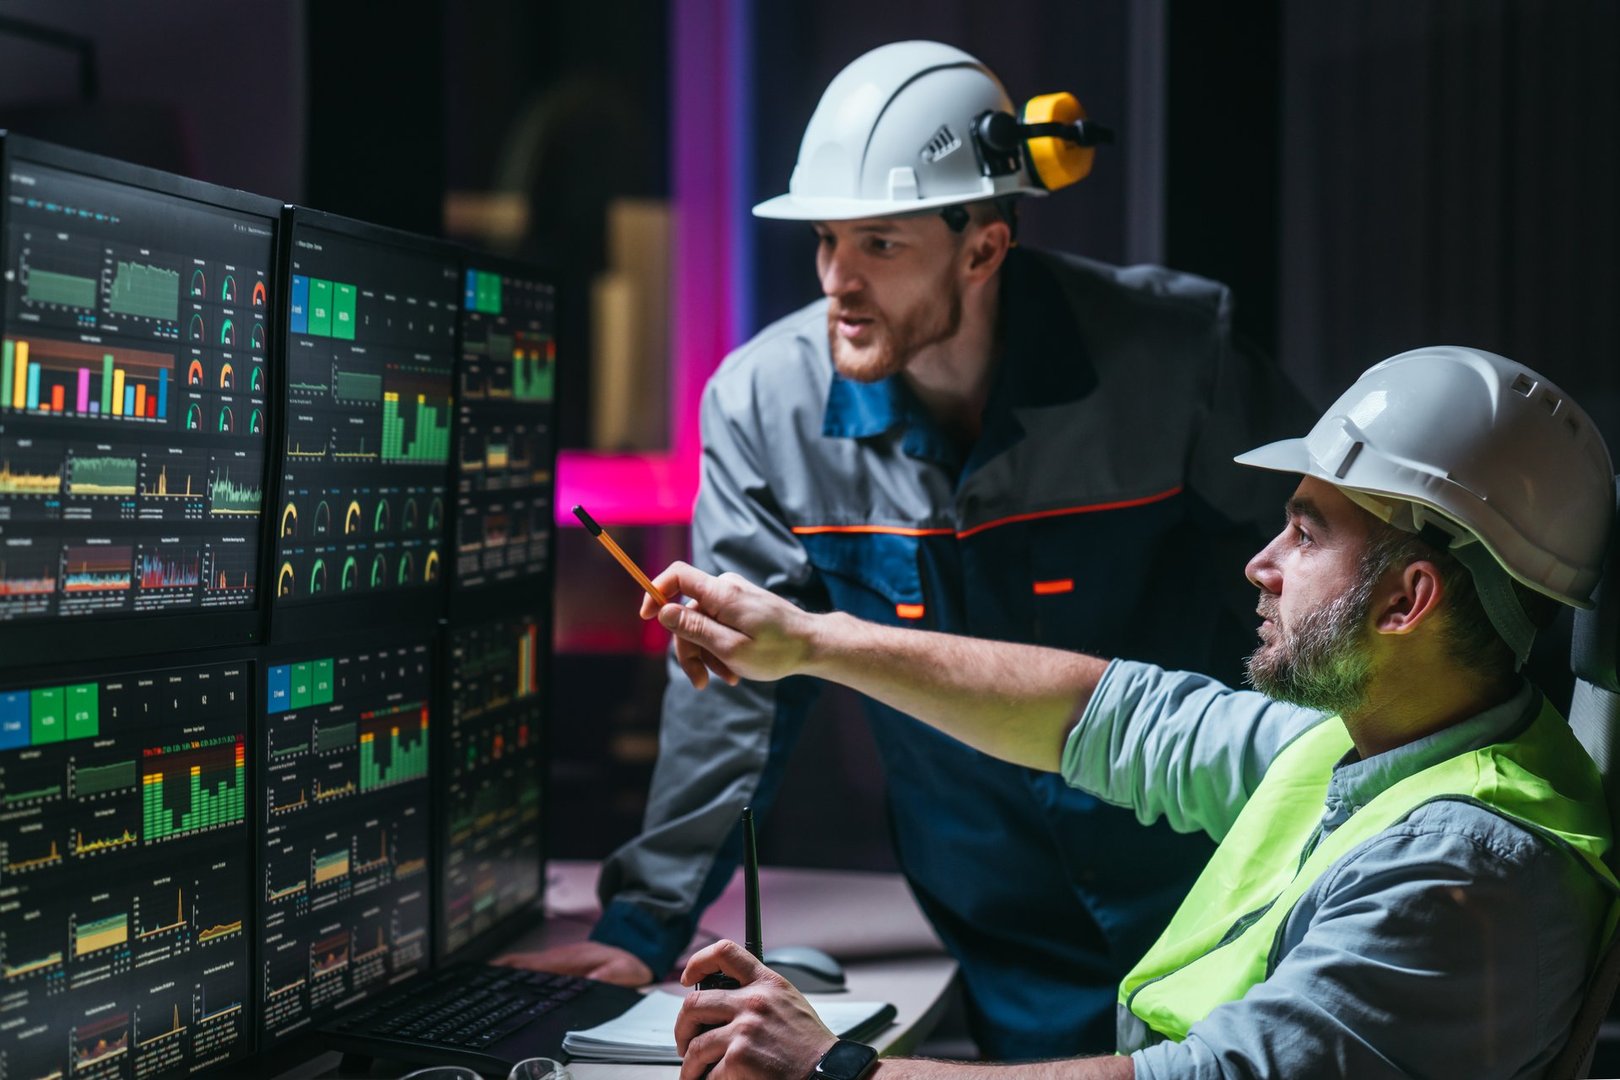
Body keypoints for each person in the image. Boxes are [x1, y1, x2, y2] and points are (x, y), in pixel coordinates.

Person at [506, 41, 1306, 1056]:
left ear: (983, 247)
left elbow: (1321, 608)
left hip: (1220, 901)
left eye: (879, 243)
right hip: (995, 936)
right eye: (825, 240)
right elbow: (737, 693)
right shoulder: (765, 408)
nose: (837, 280)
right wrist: (642, 926)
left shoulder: (1175, 361)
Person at [643, 346, 1618, 1080]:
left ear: (1408, 602)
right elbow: (1110, 715)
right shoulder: (1382, 745)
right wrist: (807, 641)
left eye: (1307, 532)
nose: (1261, 563)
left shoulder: (1467, 874)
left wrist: (836, 1067)